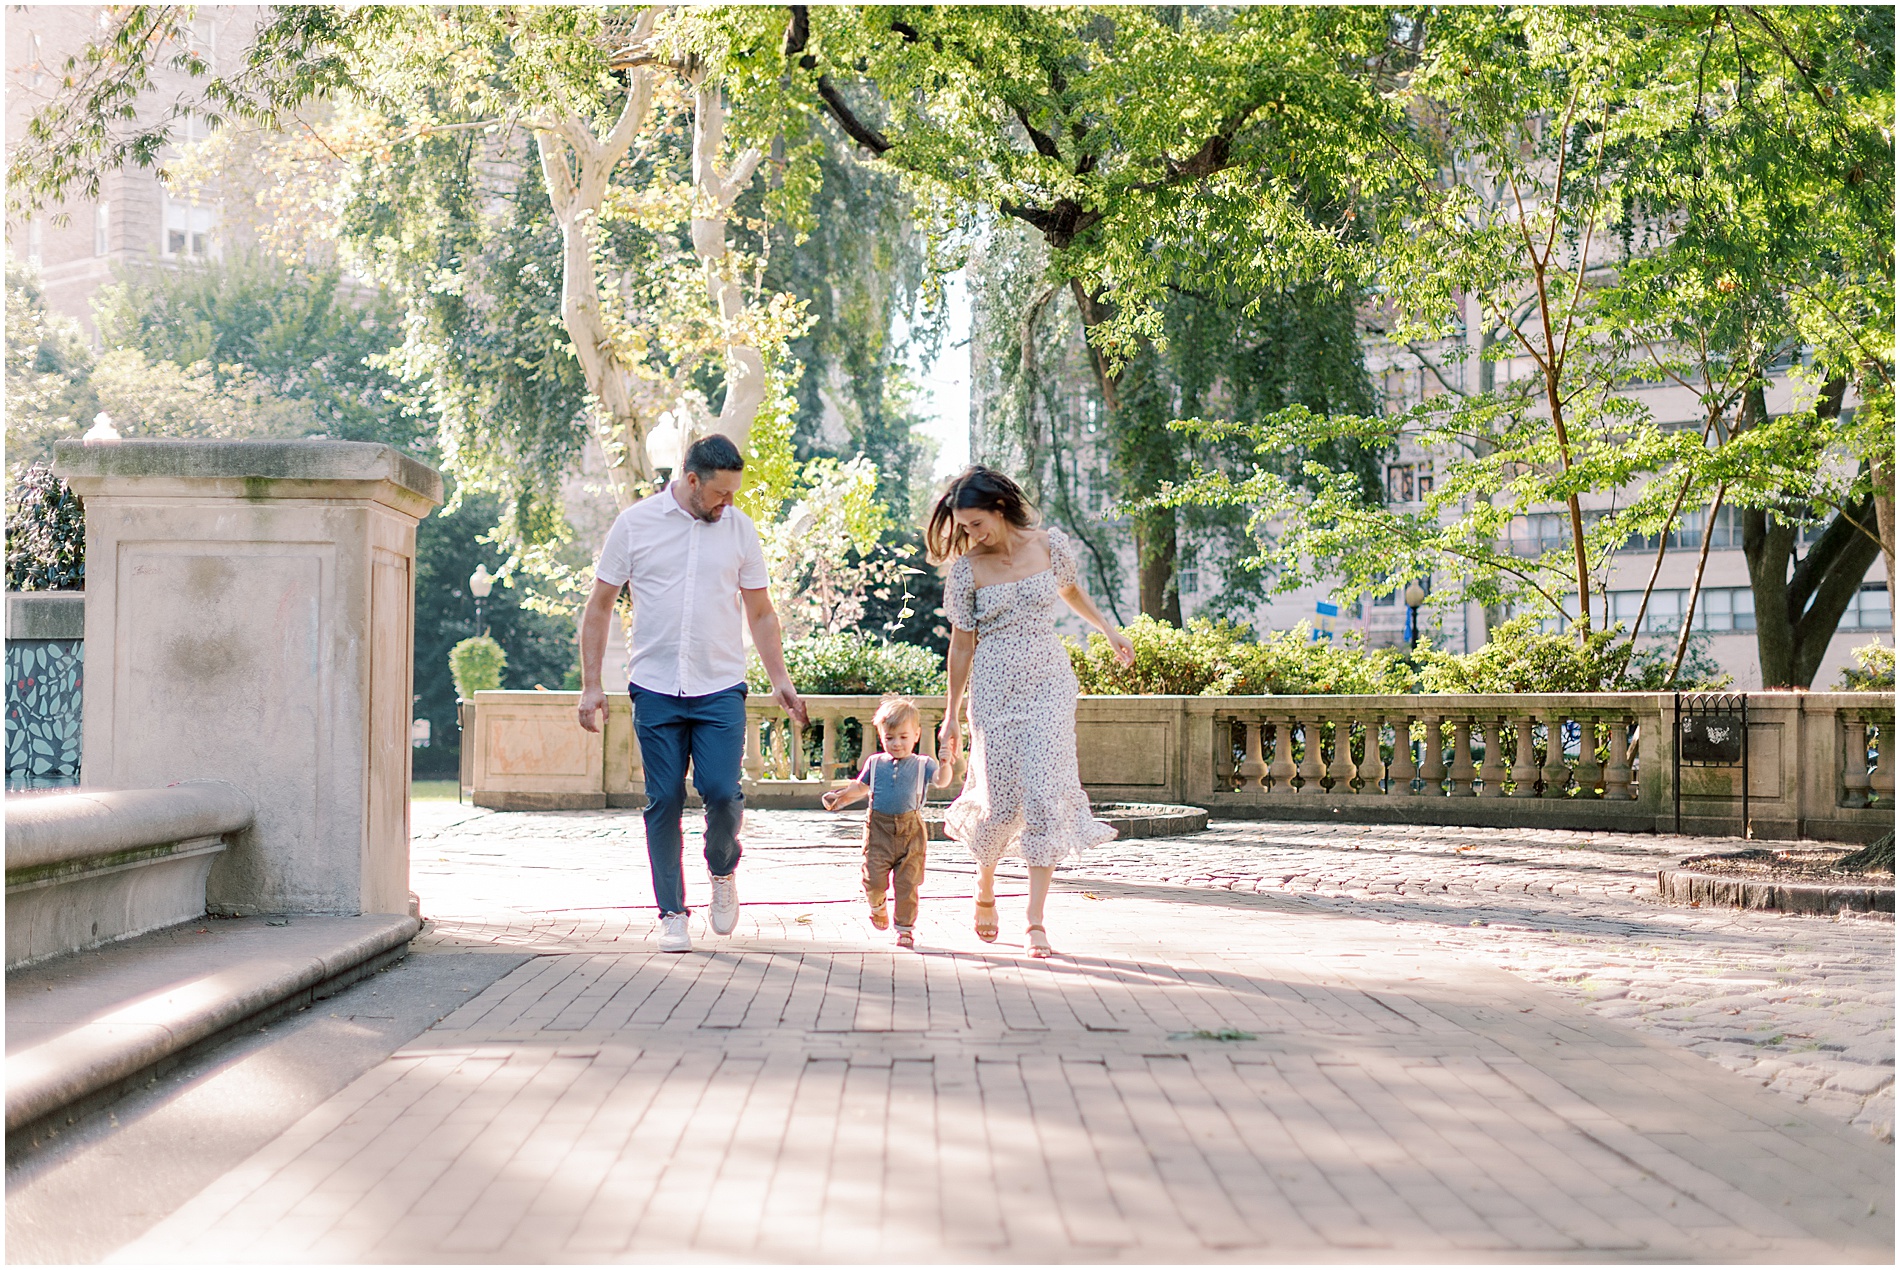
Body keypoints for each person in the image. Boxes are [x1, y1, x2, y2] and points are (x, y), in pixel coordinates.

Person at [576, 433, 807, 953]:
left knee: (724, 794)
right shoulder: (635, 525)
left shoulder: (740, 530)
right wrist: (592, 685)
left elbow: (762, 612)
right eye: (721, 493)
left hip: (720, 685)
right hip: (654, 686)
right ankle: (673, 912)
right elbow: (599, 606)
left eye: (734, 494)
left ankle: (722, 871)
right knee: (664, 800)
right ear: (692, 480)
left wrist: (780, 678)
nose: (729, 503)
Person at [929, 466, 1134, 958]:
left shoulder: (1049, 544)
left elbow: (1070, 591)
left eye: (976, 523)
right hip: (995, 689)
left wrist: (1109, 631)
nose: (969, 534)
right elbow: (961, 644)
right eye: (963, 527)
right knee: (1002, 802)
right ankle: (984, 884)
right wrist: (951, 713)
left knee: (1044, 795)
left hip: (1049, 683)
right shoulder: (967, 569)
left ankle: (1035, 922)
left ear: (1000, 510)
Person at [821, 697, 954, 950]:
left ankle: (904, 929)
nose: (896, 744)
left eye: (903, 737)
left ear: (916, 734)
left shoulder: (923, 764)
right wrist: (839, 799)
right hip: (878, 830)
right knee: (873, 880)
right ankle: (877, 903)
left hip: (910, 831)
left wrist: (946, 763)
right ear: (881, 735)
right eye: (889, 737)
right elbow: (860, 787)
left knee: (908, 883)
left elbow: (941, 781)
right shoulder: (874, 762)